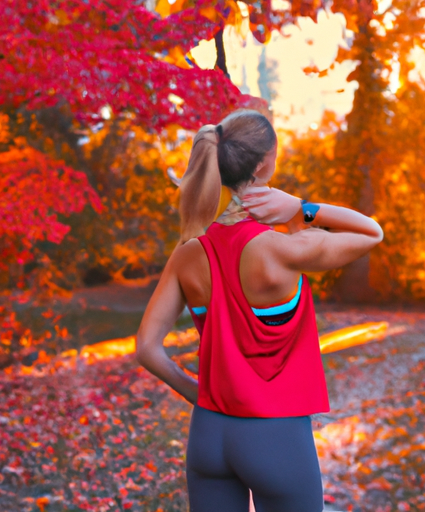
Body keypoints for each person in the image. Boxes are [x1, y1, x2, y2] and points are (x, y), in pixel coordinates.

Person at [136, 109, 383, 512]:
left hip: (209, 436)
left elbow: (147, 347)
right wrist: (300, 209)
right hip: (276, 436)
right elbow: (371, 232)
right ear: (266, 163)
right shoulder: (283, 250)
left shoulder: (187, 253)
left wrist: (201, 396)